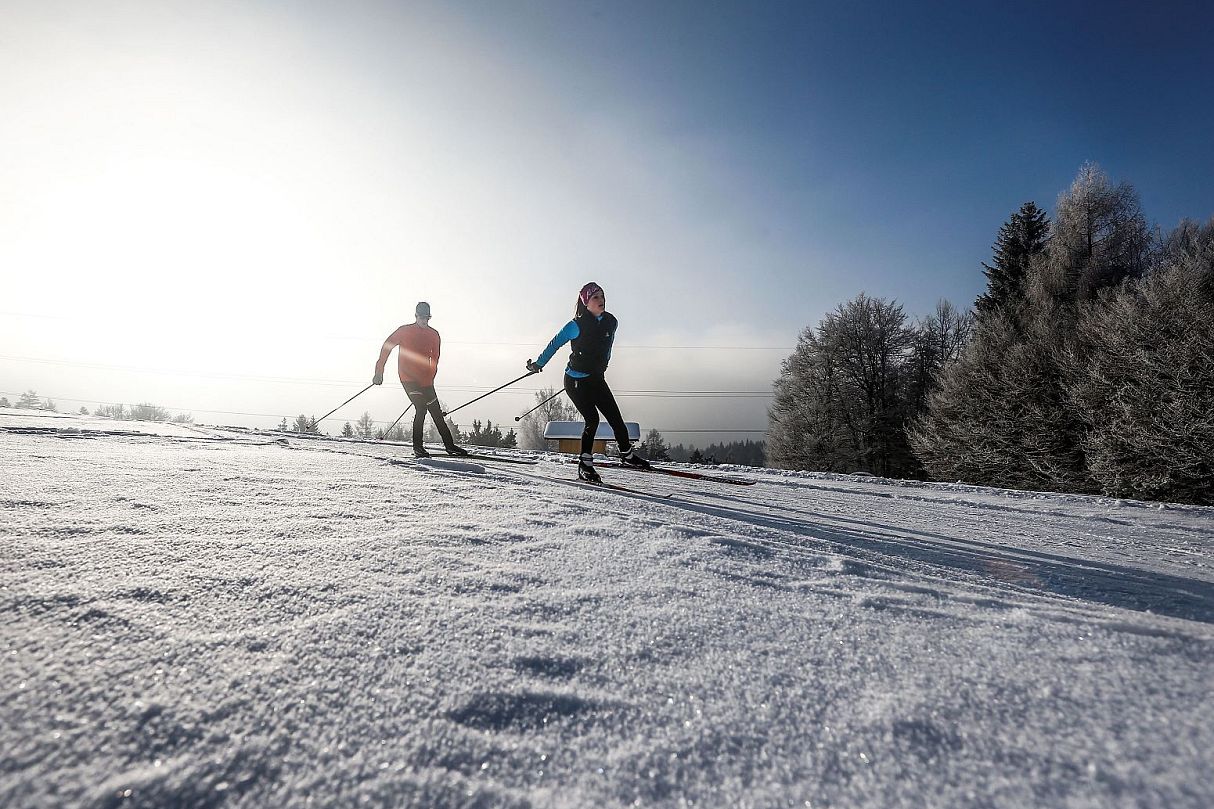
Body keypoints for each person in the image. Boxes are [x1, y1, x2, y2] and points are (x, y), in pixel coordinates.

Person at [527, 281, 651, 483]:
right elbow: (554, 343)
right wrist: (538, 363)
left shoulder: (611, 322)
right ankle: (585, 464)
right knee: (592, 420)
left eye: (602, 296)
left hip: (596, 378)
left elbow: (608, 346)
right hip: (575, 382)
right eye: (595, 297)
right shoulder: (575, 325)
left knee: (616, 419)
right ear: (586, 302)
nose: (601, 300)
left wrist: (603, 366)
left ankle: (627, 455)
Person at [372, 301, 467, 458]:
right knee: (421, 408)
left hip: (426, 379)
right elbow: (387, 347)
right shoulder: (404, 331)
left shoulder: (434, 334)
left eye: (427, 318)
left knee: (436, 412)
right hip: (407, 377)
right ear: (415, 316)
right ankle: (418, 447)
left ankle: (450, 446)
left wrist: (429, 379)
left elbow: (435, 359)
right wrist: (379, 371)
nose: (424, 321)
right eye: (421, 317)